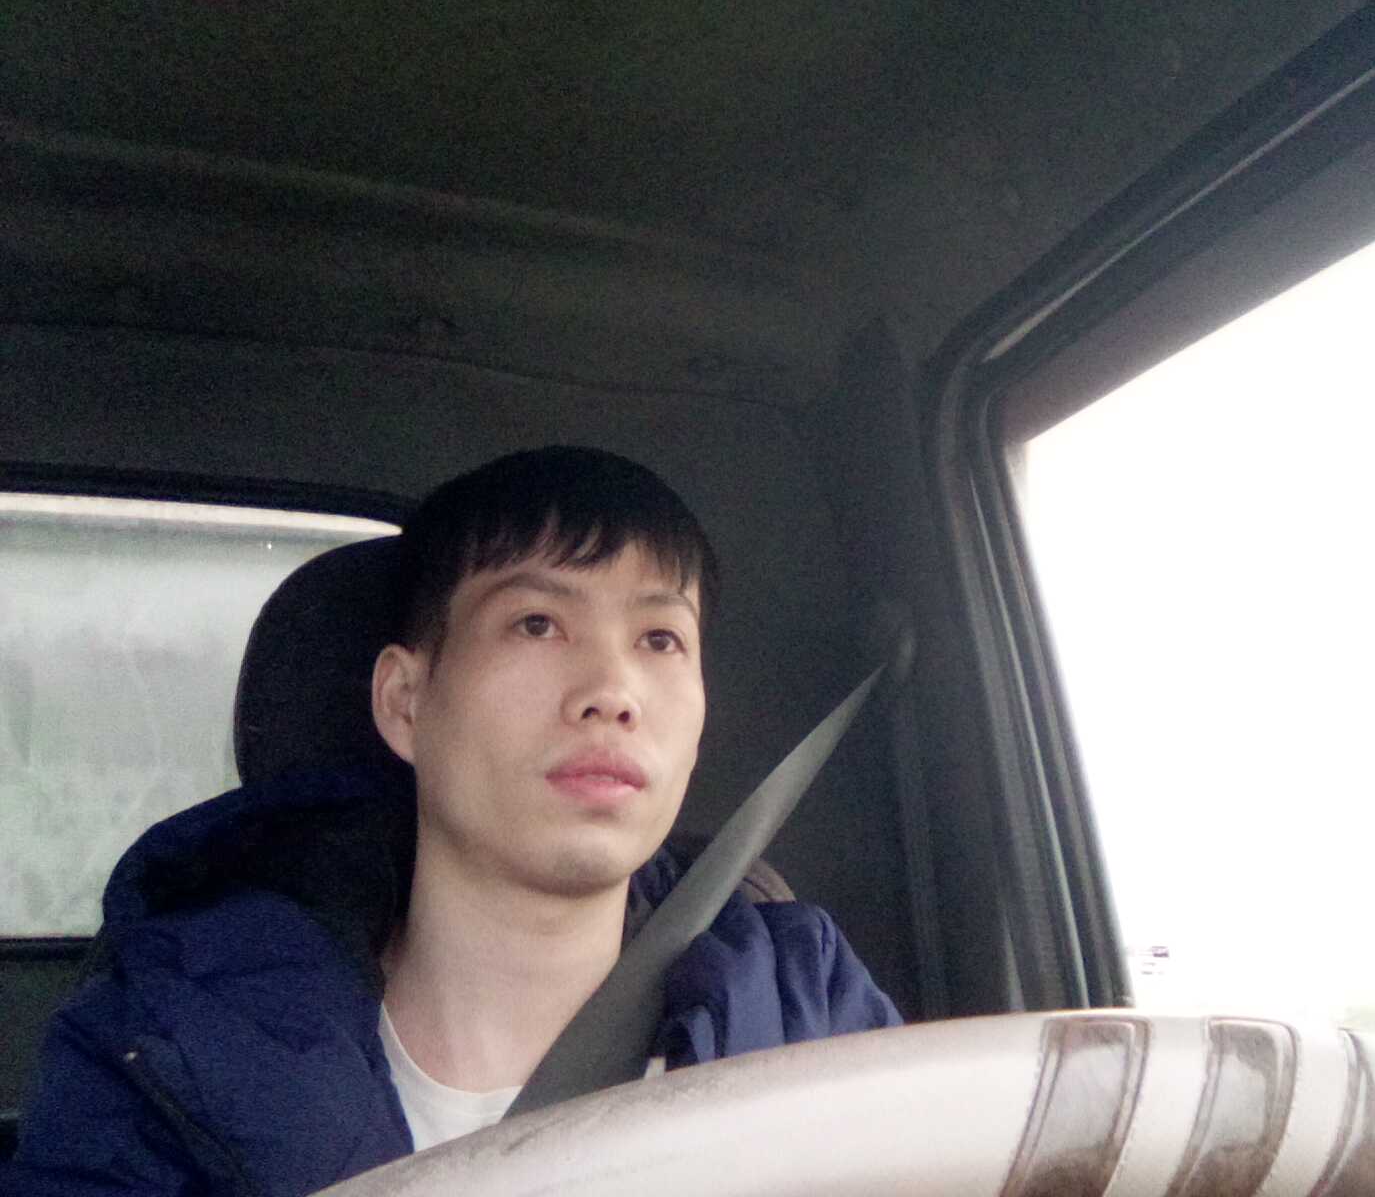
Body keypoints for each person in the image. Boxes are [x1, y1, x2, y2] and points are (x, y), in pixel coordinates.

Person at [4, 447, 900, 1196]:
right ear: (405, 701)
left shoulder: (801, 1004)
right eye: (537, 623)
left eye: (660, 639)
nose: (613, 692)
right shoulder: (166, 1041)